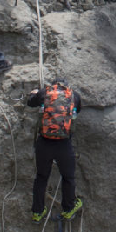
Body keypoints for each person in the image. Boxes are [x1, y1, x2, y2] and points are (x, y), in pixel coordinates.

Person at [26, 79, 84, 222]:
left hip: (44, 142)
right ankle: (69, 208)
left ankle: (37, 212)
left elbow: (30, 102)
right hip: (64, 144)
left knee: (41, 177)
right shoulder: (74, 95)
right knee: (68, 177)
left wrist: (35, 94)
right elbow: (78, 110)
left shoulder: (44, 92)